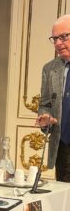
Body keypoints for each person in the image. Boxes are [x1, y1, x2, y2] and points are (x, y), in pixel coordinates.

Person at [36, 14, 70, 182]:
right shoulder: (50, 69)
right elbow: (45, 104)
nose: (57, 43)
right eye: (54, 39)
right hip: (63, 148)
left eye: (63, 37)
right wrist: (46, 117)